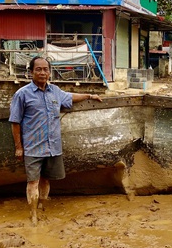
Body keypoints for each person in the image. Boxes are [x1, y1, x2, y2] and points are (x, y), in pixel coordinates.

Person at [9, 56, 102, 225]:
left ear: (50, 72)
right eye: (38, 69)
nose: (43, 73)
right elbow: (15, 122)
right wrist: (18, 147)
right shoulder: (22, 94)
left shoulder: (55, 92)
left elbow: (70, 96)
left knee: (46, 179)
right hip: (32, 147)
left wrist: (89, 95)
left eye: (45, 69)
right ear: (31, 72)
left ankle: (43, 206)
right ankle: (33, 214)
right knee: (33, 181)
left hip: (52, 147)